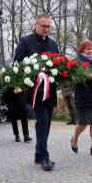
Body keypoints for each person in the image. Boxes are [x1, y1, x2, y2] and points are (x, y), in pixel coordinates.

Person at [13, 13, 59, 171]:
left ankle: (39, 154)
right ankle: (44, 156)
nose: (47, 29)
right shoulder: (25, 41)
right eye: (44, 26)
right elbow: (17, 63)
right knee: (42, 121)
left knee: (47, 124)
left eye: (49, 27)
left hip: (50, 90)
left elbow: (57, 64)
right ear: (35, 25)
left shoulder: (53, 44)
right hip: (34, 92)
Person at [70, 40, 92, 156]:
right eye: (87, 48)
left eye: (91, 49)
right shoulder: (77, 61)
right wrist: (89, 78)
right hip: (83, 95)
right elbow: (75, 77)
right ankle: (74, 139)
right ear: (82, 49)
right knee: (83, 122)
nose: (90, 51)